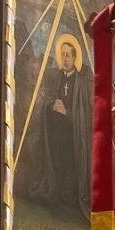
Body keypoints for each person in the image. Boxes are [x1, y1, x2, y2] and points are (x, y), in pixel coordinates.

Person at [24, 35, 93, 216]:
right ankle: (54, 190)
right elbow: (48, 98)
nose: (64, 59)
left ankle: (67, 196)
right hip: (55, 132)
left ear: (75, 58)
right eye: (62, 54)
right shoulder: (56, 78)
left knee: (69, 174)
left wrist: (66, 112)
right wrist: (50, 105)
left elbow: (84, 116)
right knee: (53, 161)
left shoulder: (81, 85)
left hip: (72, 136)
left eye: (68, 55)